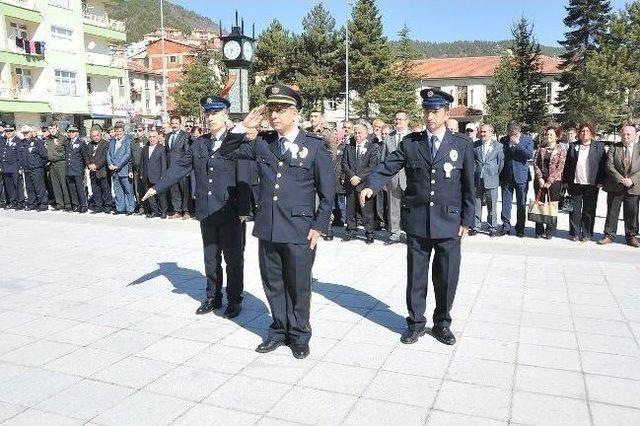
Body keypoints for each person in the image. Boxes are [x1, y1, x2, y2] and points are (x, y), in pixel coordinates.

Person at [228, 84, 336, 359]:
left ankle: (299, 334)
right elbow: (226, 152)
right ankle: (278, 329)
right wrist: (243, 126)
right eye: (271, 109)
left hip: (300, 229)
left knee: (298, 284)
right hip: (268, 226)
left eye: (281, 109)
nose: (274, 115)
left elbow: (328, 192)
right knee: (273, 283)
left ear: (295, 113)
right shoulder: (263, 142)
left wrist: (319, 226)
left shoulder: (314, 146)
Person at [360, 88, 474, 346]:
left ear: (446, 113)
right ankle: (415, 323)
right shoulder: (411, 143)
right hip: (418, 221)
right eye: (426, 111)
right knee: (417, 276)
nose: (429, 116)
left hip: (449, 221)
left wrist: (467, 221)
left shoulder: (462, 145)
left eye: (434, 111)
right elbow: (388, 166)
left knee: (446, 277)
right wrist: (371, 184)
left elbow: (469, 186)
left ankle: (442, 323)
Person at [143, 94, 252, 319]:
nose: (211, 117)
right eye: (208, 113)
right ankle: (213, 296)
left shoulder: (237, 140)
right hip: (206, 210)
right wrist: (158, 187)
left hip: (230, 211)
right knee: (210, 258)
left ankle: (234, 299)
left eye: (215, 113)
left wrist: (243, 209)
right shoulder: (199, 143)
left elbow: (244, 174)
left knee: (233, 259)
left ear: (225, 115)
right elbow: (180, 167)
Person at [562, 121, 606, 242]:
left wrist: (601, 180)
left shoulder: (599, 146)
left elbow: (603, 165)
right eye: (582, 131)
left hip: (592, 183)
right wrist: (565, 180)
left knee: (589, 209)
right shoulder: (573, 146)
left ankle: (586, 233)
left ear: (591, 133)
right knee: (574, 209)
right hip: (575, 182)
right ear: (579, 133)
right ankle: (575, 233)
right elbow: (567, 165)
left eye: (587, 131)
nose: (584, 133)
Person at [599, 124, 640, 247]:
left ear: (635, 135)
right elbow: (609, 166)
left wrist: (632, 180)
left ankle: (631, 236)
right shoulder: (613, 147)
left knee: (632, 213)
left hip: (634, 186)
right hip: (615, 185)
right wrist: (621, 179)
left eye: (628, 134)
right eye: (623, 134)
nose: (625, 136)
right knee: (612, 212)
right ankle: (609, 235)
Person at [342, 120, 380, 244]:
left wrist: (359, 177)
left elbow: (372, 166)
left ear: (366, 134)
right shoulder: (349, 147)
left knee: (366, 210)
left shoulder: (372, 147)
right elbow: (344, 163)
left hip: (364, 184)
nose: (357, 135)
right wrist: (352, 176)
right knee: (350, 209)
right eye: (355, 133)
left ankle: (369, 232)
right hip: (351, 183)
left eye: (360, 133)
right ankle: (351, 230)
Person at [498, 121, 534, 237]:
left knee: (521, 204)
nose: (512, 136)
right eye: (510, 134)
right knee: (506, 203)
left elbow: (529, 155)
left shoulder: (527, 139)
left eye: (515, 134)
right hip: (507, 176)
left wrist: (517, 143)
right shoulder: (503, 140)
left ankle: (520, 228)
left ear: (519, 131)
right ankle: (506, 226)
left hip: (521, 176)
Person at [532, 124, 567, 239]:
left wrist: (549, 180)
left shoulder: (561, 150)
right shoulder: (540, 148)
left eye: (551, 134)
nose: (548, 136)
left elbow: (560, 166)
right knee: (540, 204)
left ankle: (550, 230)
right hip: (540, 180)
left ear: (557, 136)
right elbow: (535, 163)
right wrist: (540, 178)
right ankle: (539, 230)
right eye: (547, 134)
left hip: (554, 182)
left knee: (552, 205)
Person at [381, 111, 411, 243]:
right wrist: (383, 180)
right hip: (392, 179)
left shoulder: (414, 137)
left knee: (411, 207)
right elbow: (383, 160)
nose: (398, 122)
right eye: (396, 119)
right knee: (393, 206)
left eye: (400, 119)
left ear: (407, 121)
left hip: (410, 179)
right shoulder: (388, 138)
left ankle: (411, 233)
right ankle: (395, 233)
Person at [471, 124, 504, 237]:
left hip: (491, 179)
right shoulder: (475, 145)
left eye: (485, 132)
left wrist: (494, 174)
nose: (482, 134)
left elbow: (500, 164)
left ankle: (492, 227)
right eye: (481, 131)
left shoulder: (498, 146)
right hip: (477, 180)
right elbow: (472, 161)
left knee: (492, 205)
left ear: (491, 132)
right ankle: (476, 226)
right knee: (477, 204)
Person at [166, 116, 191, 219]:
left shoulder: (185, 135)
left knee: (184, 189)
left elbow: (187, 152)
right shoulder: (168, 136)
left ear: (180, 124)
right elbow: (167, 152)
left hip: (181, 168)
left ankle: (186, 211)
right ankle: (177, 210)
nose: (174, 125)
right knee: (174, 190)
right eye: (173, 123)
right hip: (171, 168)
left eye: (176, 123)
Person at [19, 125, 49, 211]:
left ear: (32, 133)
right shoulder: (22, 142)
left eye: (27, 133)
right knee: (29, 188)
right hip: (26, 169)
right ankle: (32, 203)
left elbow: (44, 156)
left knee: (39, 187)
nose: (25, 134)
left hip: (36, 169)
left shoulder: (37, 142)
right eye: (24, 133)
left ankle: (43, 204)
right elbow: (21, 156)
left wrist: (38, 165)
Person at [140, 129, 168, 219]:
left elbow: (164, 164)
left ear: (157, 137)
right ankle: (154, 211)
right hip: (147, 176)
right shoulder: (145, 148)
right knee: (150, 195)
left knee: (161, 195)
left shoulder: (161, 148)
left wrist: (163, 176)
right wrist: (141, 173)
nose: (152, 139)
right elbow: (142, 163)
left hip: (158, 175)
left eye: (154, 137)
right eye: (150, 137)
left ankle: (163, 211)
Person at [83, 127, 112, 214]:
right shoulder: (89, 145)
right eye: (93, 136)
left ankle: (108, 205)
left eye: (97, 135)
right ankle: (98, 206)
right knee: (95, 189)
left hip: (103, 171)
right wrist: (89, 165)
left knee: (105, 189)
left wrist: (96, 165)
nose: (95, 137)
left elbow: (104, 157)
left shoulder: (106, 144)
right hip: (92, 171)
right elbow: (86, 156)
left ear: (101, 134)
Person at [107, 123, 135, 215]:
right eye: (116, 131)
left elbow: (127, 155)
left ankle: (130, 209)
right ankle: (120, 209)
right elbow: (109, 154)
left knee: (128, 190)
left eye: (120, 131)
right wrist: (110, 163)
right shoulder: (112, 141)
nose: (118, 133)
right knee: (118, 190)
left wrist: (117, 165)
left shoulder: (128, 141)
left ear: (123, 131)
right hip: (114, 171)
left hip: (124, 170)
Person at [44, 122, 71, 211]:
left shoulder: (63, 138)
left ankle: (67, 203)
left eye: (53, 128)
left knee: (63, 184)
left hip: (61, 163)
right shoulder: (47, 139)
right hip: (52, 164)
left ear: (57, 128)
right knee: (55, 185)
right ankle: (59, 204)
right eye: (50, 128)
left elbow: (67, 152)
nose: (52, 130)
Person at [64, 125, 88, 213]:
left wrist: (84, 168)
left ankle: (83, 205)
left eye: (73, 132)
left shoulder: (81, 142)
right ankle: (76, 205)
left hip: (78, 169)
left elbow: (84, 156)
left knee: (80, 188)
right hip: (69, 169)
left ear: (77, 133)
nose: (71, 133)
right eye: (69, 132)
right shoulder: (67, 142)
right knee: (72, 188)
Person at [0, 124, 23, 209]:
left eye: (10, 131)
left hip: (15, 167)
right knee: (9, 186)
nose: (8, 133)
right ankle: (13, 202)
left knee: (17, 185)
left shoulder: (18, 141)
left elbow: (20, 155)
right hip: (5, 167)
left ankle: (20, 202)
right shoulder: (2, 141)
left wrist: (20, 167)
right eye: (6, 131)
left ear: (14, 131)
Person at [131, 125, 148, 215]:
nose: (137, 132)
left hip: (145, 169)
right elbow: (131, 158)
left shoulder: (147, 141)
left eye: (140, 130)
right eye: (136, 130)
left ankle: (147, 207)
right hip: (136, 170)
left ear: (144, 131)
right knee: (137, 189)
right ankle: (140, 206)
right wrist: (130, 170)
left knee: (146, 188)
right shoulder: (134, 142)